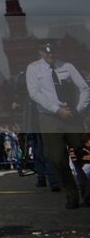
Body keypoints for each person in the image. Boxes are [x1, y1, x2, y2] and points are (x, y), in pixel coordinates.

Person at [25, 38, 90, 209]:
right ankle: (71, 194)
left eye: (52, 51)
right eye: (46, 52)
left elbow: (84, 88)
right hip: (50, 117)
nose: (50, 54)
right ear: (40, 52)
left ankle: (88, 192)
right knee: (57, 159)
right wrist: (56, 109)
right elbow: (34, 93)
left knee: (81, 155)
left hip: (72, 115)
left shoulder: (67, 67)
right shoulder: (33, 69)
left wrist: (78, 109)